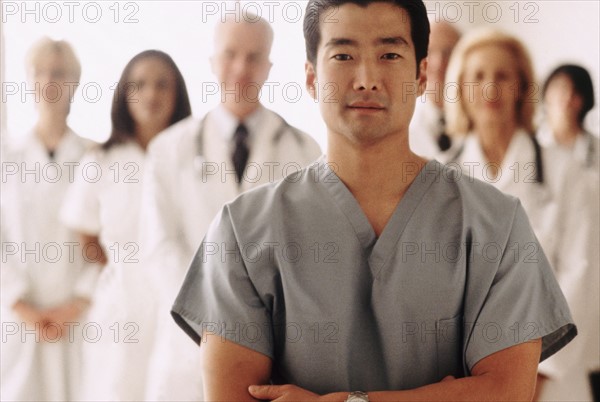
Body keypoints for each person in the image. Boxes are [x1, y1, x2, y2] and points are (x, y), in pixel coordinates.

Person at [171, 1, 576, 400]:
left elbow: (505, 393)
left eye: (389, 54)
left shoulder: (496, 224)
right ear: (311, 78)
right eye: (344, 55)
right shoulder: (242, 231)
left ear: (420, 76)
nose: (366, 78)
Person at [140, 13, 322, 401]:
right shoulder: (168, 150)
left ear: (270, 67)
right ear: (211, 62)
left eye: (254, 57)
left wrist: (251, 323)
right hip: (186, 345)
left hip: (272, 345)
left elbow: (310, 254)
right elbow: (158, 247)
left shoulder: (305, 151)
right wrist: (214, 320)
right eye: (230, 54)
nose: (241, 67)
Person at [444, 29, 599, 401]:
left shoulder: (567, 173)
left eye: (503, 76)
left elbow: (582, 275)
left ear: (522, 87)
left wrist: (537, 376)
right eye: (478, 76)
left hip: (552, 380)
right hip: (464, 379)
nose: (490, 88)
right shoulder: (439, 179)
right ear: (461, 90)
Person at [60, 50, 192, 401]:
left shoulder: (194, 159)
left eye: (162, 85)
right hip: (119, 312)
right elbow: (84, 231)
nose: (151, 94)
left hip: (182, 308)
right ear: (124, 94)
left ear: (178, 93)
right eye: (140, 85)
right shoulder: (101, 161)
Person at [0, 37, 96, 401]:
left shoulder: (94, 157)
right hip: (19, 319)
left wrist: (76, 304)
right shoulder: (8, 156)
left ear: (74, 82)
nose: (48, 82)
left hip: (78, 319)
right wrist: (21, 305)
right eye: (39, 73)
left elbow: (108, 244)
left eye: (58, 73)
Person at [409, 20, 461, 162]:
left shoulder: (480, 121)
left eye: (448, 52)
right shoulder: (404, 124)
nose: (438, 63)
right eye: (429, 52)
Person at [539, 64, 599, 172]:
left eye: (576, 91)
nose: (567, 97)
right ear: (546, 92)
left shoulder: (596, 149)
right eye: (561, 87)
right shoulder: (529, 146)